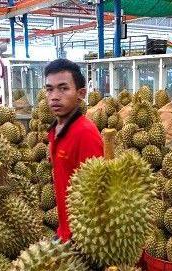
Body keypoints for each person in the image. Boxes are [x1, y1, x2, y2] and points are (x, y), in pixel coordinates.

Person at [44, 58, 104, 242]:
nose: (55, 96)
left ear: (81, 93)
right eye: (49, 89)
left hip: (82, 238)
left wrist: (81, 241)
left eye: (63, 88)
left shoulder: (85, 134)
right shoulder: (54, 130)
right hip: (65, 231)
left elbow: (98, 195)